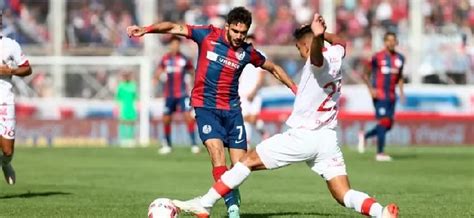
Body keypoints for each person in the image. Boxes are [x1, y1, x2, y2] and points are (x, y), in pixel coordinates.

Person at [171, 14, 399, 218]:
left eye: (300, 48)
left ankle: (205, 203)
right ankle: (381, 212)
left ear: (307, 46)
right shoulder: (337, 54)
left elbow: (316, 56)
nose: (300, 53)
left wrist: (317, 37)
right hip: (327, 139)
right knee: (343, 194)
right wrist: (320, 33)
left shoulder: (316, 62)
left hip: (303, 136)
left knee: (246, 162)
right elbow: (341, 41)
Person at [127, 7, 296, 218]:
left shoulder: (247, 52)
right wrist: (146, 29)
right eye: (236, 31)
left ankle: (228, 193)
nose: (239, 36)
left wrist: (294, 87)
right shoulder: (207, 34)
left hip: (232, 111)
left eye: (243, 33)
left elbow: (272, 67)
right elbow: (173, 27)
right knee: (217, 155)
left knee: (241, 166)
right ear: (227, 26)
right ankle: (232, 207)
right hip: (205, 107)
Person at [358, 32, 405, 161]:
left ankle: (365, 135)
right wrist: (371, 89)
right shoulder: (377, 57)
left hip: (391, 95)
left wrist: (401, 91)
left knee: (389, 125)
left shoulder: (400, 58)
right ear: (384, 42)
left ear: (396, 42)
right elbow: (365, 74)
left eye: (393, 40)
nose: (391, 43)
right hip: (379, 94)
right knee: (384, 122)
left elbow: (400, 76)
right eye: (388, 40)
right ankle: (380, 153)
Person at [0, 11, 33, 185]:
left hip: (5, 102)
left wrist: (9, 71)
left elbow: (27, 69)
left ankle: (5, 164)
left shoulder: (10, 45)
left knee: (7, 151)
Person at [155, 36, 200, 155]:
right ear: (170, 45)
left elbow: (192, 71)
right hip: (169, 95)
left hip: (182, 94)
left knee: (188, 117)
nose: (175, 46)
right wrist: (158, 78)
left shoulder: (184, 59)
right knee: (166, 119)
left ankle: (194, 144)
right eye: (173, 44)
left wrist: (194, 84)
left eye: (177, 44)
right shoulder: (165, 59)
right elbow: (158, 72)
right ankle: (167, 144)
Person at [238, 34, 267, 146]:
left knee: (253, 118)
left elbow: (261, 76)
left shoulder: (261, 56)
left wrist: (254, 91)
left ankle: (264, 133)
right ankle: (247, 144)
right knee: (245, 118)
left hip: (256, 93)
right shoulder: (240, 56)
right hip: (242, 92)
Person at [116, 71, 138, 147]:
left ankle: (131, 139)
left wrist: (137, 106)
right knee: (123, 123)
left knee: (131, 123)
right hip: (123, 107)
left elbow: (135, 97)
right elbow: (118, 98)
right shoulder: (121, 86)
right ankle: (123, 139)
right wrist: (117, 107)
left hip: (131, 106)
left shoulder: (133, 85)